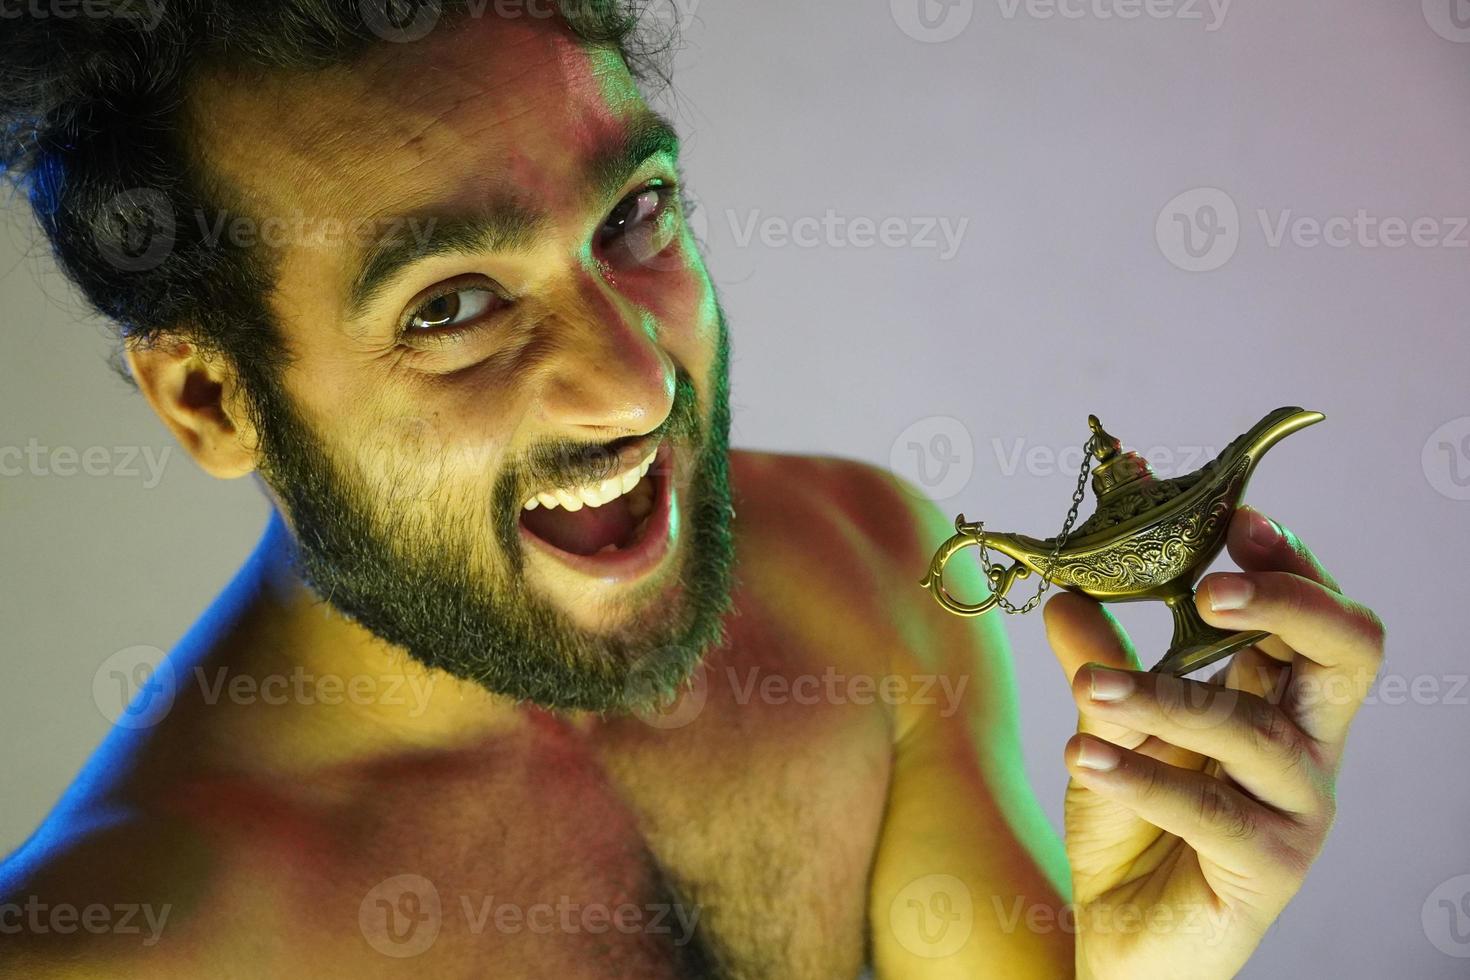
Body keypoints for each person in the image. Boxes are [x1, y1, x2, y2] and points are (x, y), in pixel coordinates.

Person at [0, 2, 1385, 976]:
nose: (634, 383)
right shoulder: (120, 951)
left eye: (634, 217)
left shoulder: (857, 572)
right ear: (212, 398)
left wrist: (1152, 970)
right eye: (456, 302)